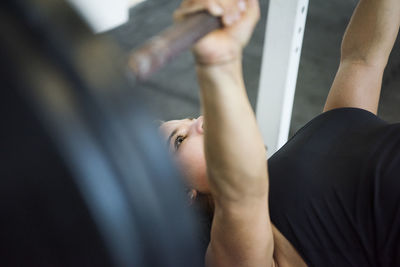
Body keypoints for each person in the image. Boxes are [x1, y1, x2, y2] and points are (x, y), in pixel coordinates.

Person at [160, 0, 400, 266]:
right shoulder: (233, 257)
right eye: (179, 140)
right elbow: (242, 189)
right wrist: (219, 57)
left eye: (190, 118)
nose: (200, 123)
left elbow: (362, 59)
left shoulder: (298, 160)